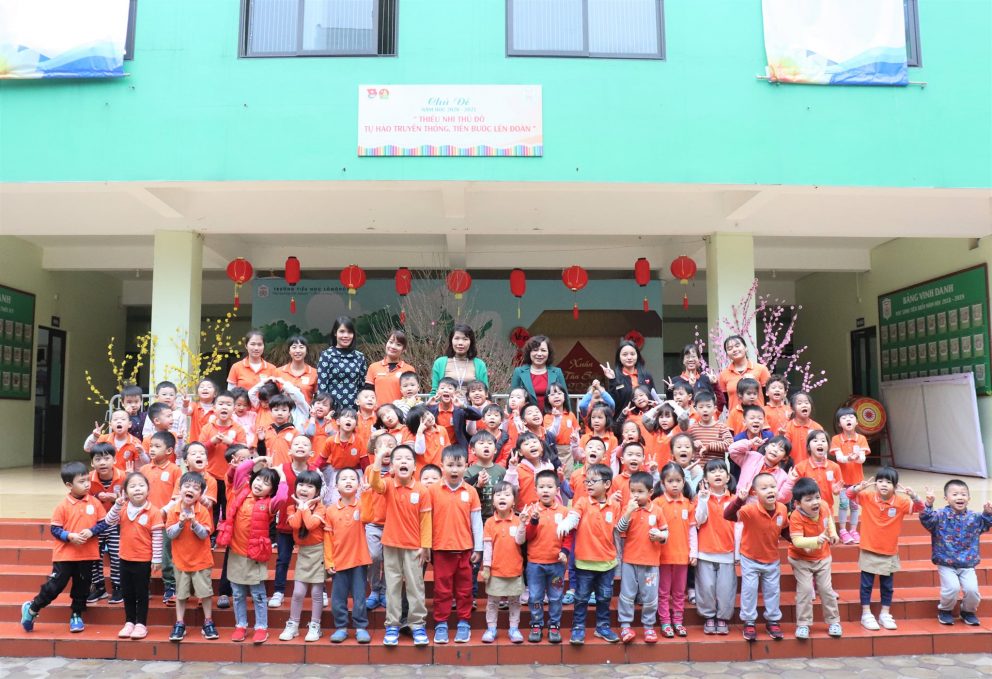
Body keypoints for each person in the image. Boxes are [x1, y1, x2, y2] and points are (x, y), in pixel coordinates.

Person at [21, 461, 110, 634]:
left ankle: (76, 614)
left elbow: (103, 523)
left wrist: (91, 532)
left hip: (87, 555)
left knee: (82, 587)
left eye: (88, 480)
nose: (87, 484)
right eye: (81, 481)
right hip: (65, 556)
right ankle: (32, 608)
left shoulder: (95, 503)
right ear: (69, 485)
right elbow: (55, 529)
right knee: (55, 585)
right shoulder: (62, 506)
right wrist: (69, 536)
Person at [216, 457, 289, 644]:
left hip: (255, 555)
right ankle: (240, 625)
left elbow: (282, 497)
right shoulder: (240, 491)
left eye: (266, 483)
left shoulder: (270, 504)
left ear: (271, 490)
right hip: (236, 552)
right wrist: (258, 459)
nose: (259, 484)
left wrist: (281, 475)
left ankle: (261, 627)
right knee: (238, 593)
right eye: (258, 479)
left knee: (258, 594)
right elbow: (241, 470)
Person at [369, 444, 433, 647]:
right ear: (392, 467)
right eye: (398, 458)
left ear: (415, 466)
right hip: (390, 544)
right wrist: (379, 457)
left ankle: (417, 625)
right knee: (393, 586)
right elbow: (374, 483)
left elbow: (426, 521)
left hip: (414, 547)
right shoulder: (388, 485)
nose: (403, 461)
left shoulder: (422, 490)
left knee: (415, 586)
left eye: (408, 458)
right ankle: (392, 625)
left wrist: (425, 545)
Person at [847, 467, 923, 631]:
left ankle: (885, 613)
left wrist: (914, 496)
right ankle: (866, 614)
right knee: (866, 585)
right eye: (880, 481)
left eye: (888, 482)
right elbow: (849, 495)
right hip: (868, 548)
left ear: (895, 486)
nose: (883, 484)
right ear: (875, 484)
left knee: (887, 586)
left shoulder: (901, 502)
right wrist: (858, 487)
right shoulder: (867, 496)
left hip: (889, 551)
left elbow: (920, 508)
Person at [724, 472, 788, 642]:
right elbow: (728, 515)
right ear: (755, 493)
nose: (770, 490)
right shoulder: (750, 510)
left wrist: (798, 541)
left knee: (773, 591)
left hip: (772, 558)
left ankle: (772, 621)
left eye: (773, 486)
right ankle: (749, 622)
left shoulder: (782, 509)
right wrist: (739, 500)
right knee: (749, 590)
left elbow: (785, 530)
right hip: (750, 557)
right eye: (764, 488)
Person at [429, 446, 483, 644]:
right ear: (441, 466)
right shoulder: (432, 491)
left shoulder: (471, 491)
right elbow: (426, 521)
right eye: (450, 465)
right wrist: (426, 546)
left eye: (459, 465)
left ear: (466, 466)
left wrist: (478, 548)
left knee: (464, 590)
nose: (454, 469)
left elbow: (476, 522)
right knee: (442, 590)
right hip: (441, 549)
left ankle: (463, 622)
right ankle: (441, 623)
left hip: (465, 549)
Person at [564, 463, 622, 645]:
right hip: (584, 562)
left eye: (593, 481)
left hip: (607, 562)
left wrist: (629, 511)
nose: (588, 484)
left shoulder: (615, 505)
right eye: (586, 481)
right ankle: (578, 628)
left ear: (607, 484)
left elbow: (619, 529)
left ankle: (602, 627)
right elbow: (574, 516)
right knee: (581, 598)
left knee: (604, 597)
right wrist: (566, 523)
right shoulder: (582, 502)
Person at [921, 479, 992, 626]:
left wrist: (987, 512)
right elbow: (926, 519)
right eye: (955, 494)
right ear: (946, 498)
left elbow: (985, 524)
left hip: (967, 563)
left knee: (972, 591)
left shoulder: (974, 517)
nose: (960, 497)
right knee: (951, 588)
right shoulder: (940, 515)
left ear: (969, 498)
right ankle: (945, 610)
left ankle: (968, 611)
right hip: (946, 562)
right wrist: (928, 504)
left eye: (963, 494)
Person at [104, 472, 163, 640]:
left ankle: (141, 624)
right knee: (127, 592)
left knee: (141, 593)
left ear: (148, 490)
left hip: (143, 560)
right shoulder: (122, 509)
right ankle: (129, 622)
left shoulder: (153, 511)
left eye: (141, 485)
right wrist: (117, 505)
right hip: (124, 558)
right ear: (125, 492)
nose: (137, 489)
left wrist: (157, 559)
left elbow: (157, 537)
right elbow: (108, 521)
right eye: (133, 486)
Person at [166, 472, 218, 642]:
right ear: (179, 489)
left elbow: (204, 535)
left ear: (200, 494)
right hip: (181, 561)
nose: (190, 490)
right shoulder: (173, 510)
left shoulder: (203, 511)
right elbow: (170, 534)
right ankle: (180, 623)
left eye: (196, 488)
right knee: (181, 594)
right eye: (187, 486)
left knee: (205, 593)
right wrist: (181, 523)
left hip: (201, 561)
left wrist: (194, 522)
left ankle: (208, 621)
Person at [617, 471, 667, 644]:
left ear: (650, 492)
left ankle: (648, 626)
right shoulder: (628, 508)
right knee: (627, 594)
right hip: (630, 561)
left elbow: (666, 533)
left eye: (640, 491)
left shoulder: (657, 510)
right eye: (633, 491)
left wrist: (660, 535)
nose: (636, 495)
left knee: (650, 595)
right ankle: (625, 625)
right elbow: (620, 529)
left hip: (651, 562)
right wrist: (628, 512)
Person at [788, 477, 842, 639]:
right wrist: (816, 540)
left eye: (817, 497)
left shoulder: (823, 506)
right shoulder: (796, 516)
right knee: (805, 590)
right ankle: (803, 624)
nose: (815, 502)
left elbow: (829, 519)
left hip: (823, 557)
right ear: (798, 503)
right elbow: (797, 541)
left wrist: (833, 533)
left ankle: (834, 621)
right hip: (800, 559)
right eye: (809, 499)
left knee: (826, 590)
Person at [323, 467, 373, 643]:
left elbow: (369, 516)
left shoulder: (362, 505)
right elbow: (327, 538)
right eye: (344, 479)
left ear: (358, 485)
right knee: (338, 598)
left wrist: (367, 494)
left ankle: (361, 627)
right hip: (338, 561)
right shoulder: (330, 510)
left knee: (359, 597)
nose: (348, 481)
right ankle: (341, 627)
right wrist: (329, 561)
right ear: (336, 486)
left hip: (359, 560)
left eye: (352, 478)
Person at [523, 469, 572, 644]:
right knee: (535, 596)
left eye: (549, 487)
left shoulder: (564, 511)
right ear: (535, 490)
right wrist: (533, 521)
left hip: (557, 564)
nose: (545, 490)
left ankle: (554, 625)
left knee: (556, 596)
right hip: (535, 564)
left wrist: (565, 552)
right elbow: (527, 536)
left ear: (557, 490)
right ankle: (536, 624)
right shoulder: (531, 510)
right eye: (542, 487)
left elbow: (568, 536)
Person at [279, 470, 327, 642]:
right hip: (303, 553)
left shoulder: (321, 508)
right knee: (298, 592)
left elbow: (311, 524)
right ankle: (293, 624)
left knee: (316, 592)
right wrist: (301, 506)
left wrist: (305, 507)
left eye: (310, 486)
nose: (304, 489)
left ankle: (315, 626)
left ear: (317, 491)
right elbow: (296, 524)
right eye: (301, 485)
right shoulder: (291, 508)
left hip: (319, 552)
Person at [692, 459, 736, 636]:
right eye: (712, 471)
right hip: (705, 550)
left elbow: (739, 527)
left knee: (726, 588)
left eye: (721, 471)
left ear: (728, 477)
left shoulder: (734, 500)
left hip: (728, 552)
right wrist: (703, 500)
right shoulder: (700, 498)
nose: (717, 474)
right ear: (705, 478)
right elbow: (698, 520)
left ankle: (723, 617)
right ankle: (709, 616)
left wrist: (738, 553)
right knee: (706, 587)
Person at [481, 482, 527, 644]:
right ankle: (491, 628)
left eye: (507, 495)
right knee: (492, 602)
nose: (502, 497)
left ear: (514, 501)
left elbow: (520, 541)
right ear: (493, 501)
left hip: (514, 569)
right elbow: (487, 547)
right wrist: (486, 567)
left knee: (514, 602)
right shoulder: (489, 522)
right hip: (495, 571)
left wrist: (523, 524)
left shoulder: (518, 520)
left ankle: (514, 628)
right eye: (498, 494)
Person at [139, 431, 181, 606]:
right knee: (143, 553)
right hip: (144, 520)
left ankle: (170, 585)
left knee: (165, 554)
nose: (152, 449)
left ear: (169, 451)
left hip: (165, 521)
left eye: (157, 446)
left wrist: (162, 511)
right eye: (151, 446)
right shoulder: (144, 469)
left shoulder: (175, 470)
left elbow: (176, 497)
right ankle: (143, 585)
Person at [654, 462, 694, 638]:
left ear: (684, 482)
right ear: (663, 483)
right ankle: (665, 622)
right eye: (670, 481)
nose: (675, 484)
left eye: (678, 480)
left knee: (679, 592)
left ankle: (678, 621)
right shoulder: (657, 503)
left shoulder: (688, 504)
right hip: (662, 556)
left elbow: (692, 531)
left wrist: (693, 552)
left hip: (682, 556)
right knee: (663, 592)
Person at [362, 433, 396, 613]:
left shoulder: (398, 471)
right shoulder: (369, 470)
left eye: (391, 445)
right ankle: (375, 589)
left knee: (390, 560)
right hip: (373, 523)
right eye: (383, 446)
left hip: (393, 523)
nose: (387, 449)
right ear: (375, 452)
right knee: (374, 556)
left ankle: (384, 591)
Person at [86, 443, 124, 605]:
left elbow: (133, 498)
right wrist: (96, 497)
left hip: (117, 524)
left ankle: (118, 587)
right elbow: (82, 497)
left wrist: (117, 499)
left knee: (116, 556)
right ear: (92, 463)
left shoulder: (124, 476)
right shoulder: (88, 478)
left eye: (107, 458)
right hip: (96, 525)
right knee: (95, 557)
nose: (102, 462)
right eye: (98, 459)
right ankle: (99, 587)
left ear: (114, 460)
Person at [830, 406, 868, 544]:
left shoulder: (861, 438)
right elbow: (839, 458)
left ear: (856, 422)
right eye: (844, 418)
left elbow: (862, 459)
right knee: (843, 504)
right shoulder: (836, 439)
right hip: (842, 480)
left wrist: (856, 458)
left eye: (851, 417)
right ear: (839, 424)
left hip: (857, 480)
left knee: (855, 506)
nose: (848, 420)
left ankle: (853, 530)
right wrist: (849, 458)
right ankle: (842, 530)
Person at [316, 316, 369, 408]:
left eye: (349, 332)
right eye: (342, 331)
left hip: (354, 409)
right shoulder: (326, 356)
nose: (346, 336)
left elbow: (362, 387)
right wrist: (325, 409)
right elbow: (322, 388)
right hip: (332, 409)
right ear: (335, 333)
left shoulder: (360, 357)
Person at [510, 334, 568, 411]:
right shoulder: (519, 372)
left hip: (553, 416)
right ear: (529, 352)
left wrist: (568, 415)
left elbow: (565, 398)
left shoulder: (557, 372)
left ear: (548, 353)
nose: (539, 354)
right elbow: (512, 398)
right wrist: (510, 416)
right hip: (526, 416)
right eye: (535, 350)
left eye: (543, 350)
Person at [600, 340, 658, 415]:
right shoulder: (613, 376)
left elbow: (653, 397)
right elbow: (611, 403)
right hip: (623, 419)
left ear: (637, 356)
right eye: (625, 355)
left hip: (646, 419)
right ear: (619, 357)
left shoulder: (646, 375)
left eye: (632, 354)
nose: (629, 357)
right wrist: (612, 380)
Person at [430, 323, 489, 395]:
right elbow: (434, 391)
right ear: (451, 341)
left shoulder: (480, 364)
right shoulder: (440, 363)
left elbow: (485, 391)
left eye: (465, 339)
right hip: (447, 402)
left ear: (471, 342)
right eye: (456, 338)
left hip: (471, 402)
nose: (460, 343)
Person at [717, 335, 770, 413]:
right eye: (730, 348)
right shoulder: (723, 374)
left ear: (745, 348)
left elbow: (768, 397)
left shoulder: (761, 369)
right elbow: (725, 401)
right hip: (735, 417)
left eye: (737, 346)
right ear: (727, 354)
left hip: (757, 417)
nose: (734, 350)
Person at [365, 329, 417, 406]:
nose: (393, 346)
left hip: (401, 412)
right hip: (379, 412)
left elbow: (412, 396)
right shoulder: (373, 367)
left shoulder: (409, 369)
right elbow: (367, 394)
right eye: (391, 342)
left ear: (404, 350)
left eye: (398, 344)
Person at [686, 390, 732, 464]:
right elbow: (685, 445)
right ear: (696, 409)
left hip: (716, 469)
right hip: (698, 469)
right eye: (701, 407)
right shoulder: (692, 428)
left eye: (708, 406)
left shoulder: (721, 427)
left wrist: (709, 446)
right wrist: (692, 444)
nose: (705, 410)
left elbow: (730, 444)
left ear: (715, 409)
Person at [781, 392, 821, 465]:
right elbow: (783, 450)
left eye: (806, 403)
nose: (804, 405)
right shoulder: (787, 427)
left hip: (812, 467)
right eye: (799, 403)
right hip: (792, 468)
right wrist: (781, 435)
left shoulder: (817, 427)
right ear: (792, 408)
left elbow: (822, 451)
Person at [279, 335, 318, 404]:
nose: (297, 351)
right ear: (289, 351)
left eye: (301, 347)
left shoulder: (315, 373)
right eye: (294, 347)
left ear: (306, 351)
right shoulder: (278, 372)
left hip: (306, 410)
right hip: (283, 410)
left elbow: (318, 397)